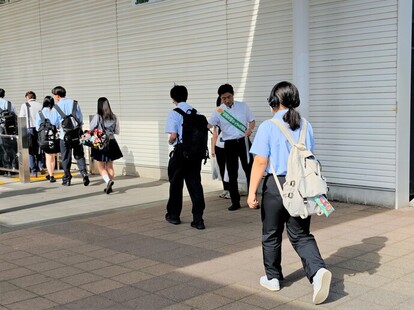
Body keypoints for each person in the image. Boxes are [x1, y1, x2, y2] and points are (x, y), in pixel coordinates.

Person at [247, 81, 331, 305]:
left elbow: (260, 161)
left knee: (271, 233)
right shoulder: (306, 125)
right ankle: (318, 272)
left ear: (274, 101)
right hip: (301, 186)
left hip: (276, 185)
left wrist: (251, 191)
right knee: (301, 235)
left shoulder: (268, 126)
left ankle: (273, 278)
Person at [208, 83, 255, 211]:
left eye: (229, 97)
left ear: (233, 95)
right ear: (220, 98)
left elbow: (252, 121)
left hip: (244, 141)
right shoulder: (219, 111)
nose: (227, 100)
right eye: (223, 98)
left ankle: (253, 199)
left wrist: (250, 130)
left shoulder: (243, 106)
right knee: (232, 172)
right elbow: (209, 125)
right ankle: (235, 202)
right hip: (229, 144)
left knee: (249, 170)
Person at [165, 85, 206, 230]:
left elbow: (173, 136)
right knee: (195, 185)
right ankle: (198, 219)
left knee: (176, 184)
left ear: (173, 99)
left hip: (181, 153)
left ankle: (174, 215)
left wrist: (171, 141)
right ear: (186, 96)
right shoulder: (196, 112)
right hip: (195, 154)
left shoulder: (174, 113)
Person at [49, 86, 89, 187]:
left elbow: (53, 122)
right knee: (79, 155)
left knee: (66, 158)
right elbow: (80, 119)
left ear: (57, 96)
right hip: (76, 135)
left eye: (54, 95)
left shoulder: (56, 107)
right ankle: (84, 174)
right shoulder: (74, 103)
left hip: (64, 136)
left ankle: (67, 179)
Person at [89, 97, 123, 194]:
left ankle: (108, 182)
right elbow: (117, 131)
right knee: (110, 166)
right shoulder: (114, 117)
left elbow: (91, 128)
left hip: (100, 143)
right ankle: (110, 186)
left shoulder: (97, 116)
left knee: (101, 166)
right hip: (112, 142)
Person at [19, 91, 44, 175]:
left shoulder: (24, 105)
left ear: (27, 97)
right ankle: (40, 167)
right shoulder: (40, 105)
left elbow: (21, 117)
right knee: (39, 148)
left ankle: (33, 170)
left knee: (30, 150)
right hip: (39, 129)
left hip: (29, 129)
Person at [35, 96, 59, 183]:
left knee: (48, 157)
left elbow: (37, 127)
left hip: (44, 138)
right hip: (54, 137)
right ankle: (51, 173)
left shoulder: (39, 113)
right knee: (53, 156)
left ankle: (51, 176)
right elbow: (57, 123)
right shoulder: (54, 111)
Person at [211, 96, 230, 199]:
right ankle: (225, 189)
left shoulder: (231, 115)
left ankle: (231, 190)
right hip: (219, 146)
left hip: (229, 145)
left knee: (230, 169)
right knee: (222, 168)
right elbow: (215, 133)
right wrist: (213, 149)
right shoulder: (217, 114)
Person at [0, 88, 18, 172]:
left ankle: (4, 168)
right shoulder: (10, 104)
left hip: (1, 130)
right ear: (4, 95)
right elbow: (15, 116)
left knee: (2, 149)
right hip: (10, 129)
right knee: (11, 148)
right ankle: (13, 166)